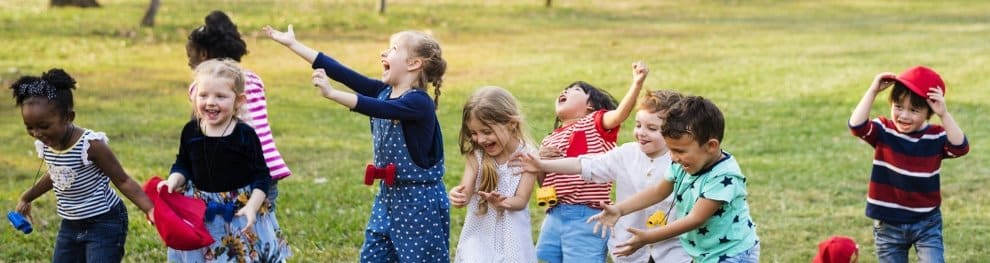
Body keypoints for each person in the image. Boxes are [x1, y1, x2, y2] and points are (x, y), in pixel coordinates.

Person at [264, 24, 450, 262]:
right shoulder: (382, 90)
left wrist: (332, 94)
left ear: (414, 64)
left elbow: (376, 108)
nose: (384, 53)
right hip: (388, 198)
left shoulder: (419, 103)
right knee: (373, 256)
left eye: (392, 49)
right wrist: (293, 44)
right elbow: (340, 71)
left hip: (418, 205)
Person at [513, 90, 691, 263]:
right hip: (629, 250)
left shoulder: (684, 162)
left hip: (672, 251)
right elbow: (583, 164)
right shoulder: (626, 154)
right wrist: (542, 165)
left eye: (652, 128)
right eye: (638, 125)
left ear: (674, 132)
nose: (641, 132)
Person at [587, 96, 760, 263]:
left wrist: (648, 237)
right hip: (704, 253)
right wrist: (620, 209)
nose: (673, 157)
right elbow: (658, 191)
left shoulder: (724, 176)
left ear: (711, 146)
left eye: (680, 151)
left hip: (732, 253)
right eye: (670, 149)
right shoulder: (681, 164)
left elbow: (695, 219)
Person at [10, 68, 155, 262]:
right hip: (71, 224)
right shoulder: (46, 145)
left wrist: (150, 209)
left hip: (104, 222)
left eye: (43, 126)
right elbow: (57, 174)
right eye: (30, 127)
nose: (37, 133)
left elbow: (122, 179)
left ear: (69, 117)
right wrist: (27, 197)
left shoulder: (90, 145)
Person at [158, 58, 290, 262]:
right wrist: (174, 180)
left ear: (239, 100)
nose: (210, 102)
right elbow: (183, 163)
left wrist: (252, 207)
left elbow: (261, 176)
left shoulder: (244, 135)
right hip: (200, 212)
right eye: (203, 95)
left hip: (239, 214)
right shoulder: (191, 130)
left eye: (220, 96)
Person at [848, 65, 969, 262]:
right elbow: (856, 126)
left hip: (926, 222)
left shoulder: (936, 136)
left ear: (928, 112)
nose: (904, 116)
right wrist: (872, 91)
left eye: (914, 110)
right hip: (888, 225)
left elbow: (960, 147)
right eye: (898, 106)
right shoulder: (884, 130)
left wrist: (944, 114)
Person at [532, 61, 648, 263]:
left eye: (573, 90)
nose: (564, 91)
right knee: (544, 259)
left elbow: (619, 115)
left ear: (590, 105)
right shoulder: (550, 139)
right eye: (564, 89)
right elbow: (544, 182)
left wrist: (637, 83)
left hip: (586, 215)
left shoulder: (595, 123)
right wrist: (539, 160)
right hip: (554, 214)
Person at [186, 10, 292, 207]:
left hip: (235, 169)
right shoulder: (253, 79)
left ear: (203, 54)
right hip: (267, 166)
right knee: (262, 225)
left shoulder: (200, 89)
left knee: (230, 228)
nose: (189, 61)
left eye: (190, 55)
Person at [447, 86, 538, 263]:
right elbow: (465, 193)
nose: (480, 140)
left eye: (487, 132)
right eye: (474, 133)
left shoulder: (528, 157)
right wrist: (458, 196)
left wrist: (502, 202)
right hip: (479, 236)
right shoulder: (477, 156)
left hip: (513, 238)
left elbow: (521, 200)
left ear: (511, 123)